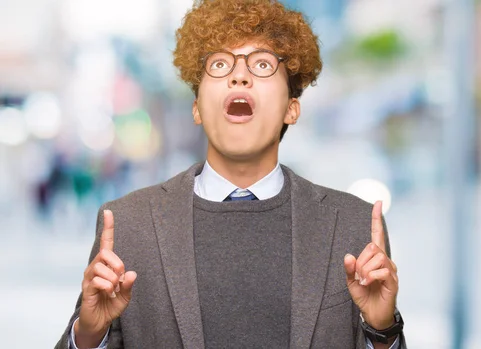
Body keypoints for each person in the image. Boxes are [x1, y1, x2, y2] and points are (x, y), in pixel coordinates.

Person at [55, 0, 407, 348]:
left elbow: (382, 333)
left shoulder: (353, 224)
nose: (240, 75)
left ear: (291, 109)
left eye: (263, 64)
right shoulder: (129, 224)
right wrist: (89, 335)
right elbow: (88, 332)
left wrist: (382, 330)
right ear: (196, 108)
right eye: (220, 64)